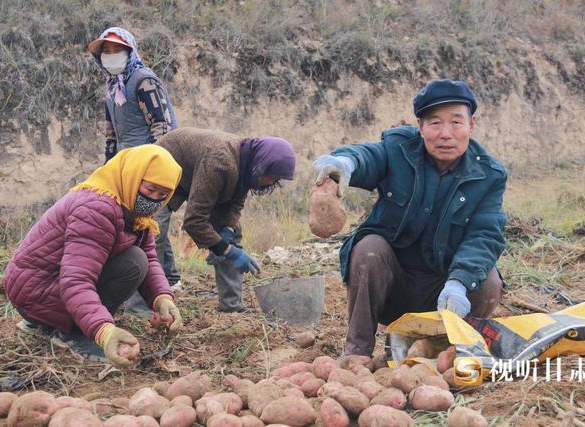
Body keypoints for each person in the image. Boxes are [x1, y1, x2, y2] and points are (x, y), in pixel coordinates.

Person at [313, 79, 507, 356]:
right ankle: (357, 353)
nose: (446, 134)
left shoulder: (488, 175)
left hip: (444, 292)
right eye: (435, 123)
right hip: (393, 286)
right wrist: (345, 163)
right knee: (369, 248)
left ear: (471, 125)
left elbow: (485, 235)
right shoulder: (399, 148)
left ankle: (442, 349)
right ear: (420, 127)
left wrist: (459, 282)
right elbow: (369, 156)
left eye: (456, 122)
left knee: (487, 281)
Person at [3, 145, 183, 368]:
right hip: (35, 292)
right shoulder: (98, 208)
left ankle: (44, 322)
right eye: (150, 189)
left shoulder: (131, 208)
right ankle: (72, 332)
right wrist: (102, 331)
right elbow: (77, 279)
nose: (154, 199)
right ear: (132, 176)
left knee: (139, 258)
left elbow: (150, 256)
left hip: (46, 286)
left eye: (163, 195)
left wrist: (162, 298)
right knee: (133, 263)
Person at [157, 128, 296, 312]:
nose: (271, 183)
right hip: (164, 164)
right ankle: (140, 306)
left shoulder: (247, 161)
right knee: (153, 232)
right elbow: (194, 220)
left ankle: (232, 306)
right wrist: (225, 249)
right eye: (271, 176)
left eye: (276, 179)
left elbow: (236, 203)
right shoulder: (220, 162)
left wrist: (226, 232)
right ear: (262, 164)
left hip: (195, 172)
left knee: (233, 232)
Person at [88, 26, 181, 299]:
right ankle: (170, 279)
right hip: (126, 170)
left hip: (149, 169)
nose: (112, 56)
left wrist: (156, 170)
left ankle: (151, 292)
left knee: (150, 225)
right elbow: (111, 135)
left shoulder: (143, 81)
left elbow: (163, 127)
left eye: (118, 50)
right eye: (107, 51)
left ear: (130, 52)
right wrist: (108, 172)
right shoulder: (113, 87)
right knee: (145, 225)